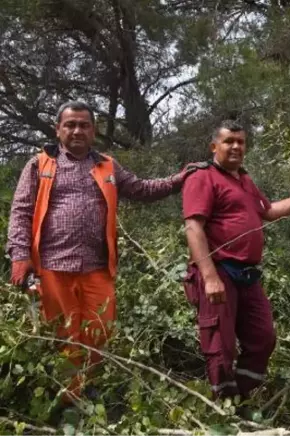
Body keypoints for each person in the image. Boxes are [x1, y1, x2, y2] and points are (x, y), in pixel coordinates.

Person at [7, 101, 196, 407]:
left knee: (99, 332)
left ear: (94, 130)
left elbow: (141, 189)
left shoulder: (107, 165)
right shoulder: (39, 164)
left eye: (84, 124)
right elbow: (21, 211)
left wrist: (178, 180)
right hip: (53, 267)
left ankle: (88, 389)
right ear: (58, 130)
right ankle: (68, 403)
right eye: (70, 124)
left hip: (97, 267)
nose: (77, 130)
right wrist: (19, 255)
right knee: (64, 337)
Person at [182, 120, 290, 403]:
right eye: (229, 141)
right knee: (220, 345)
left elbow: (270, 211)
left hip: (247, 275)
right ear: (214, 146)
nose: (236, 147)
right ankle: (221, 408)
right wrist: (210, 276)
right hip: (220, 272)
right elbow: (193, 228)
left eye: (241, 142)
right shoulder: (202, 177)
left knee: (263, 337)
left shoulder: (244, 180)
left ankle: (242, 398)